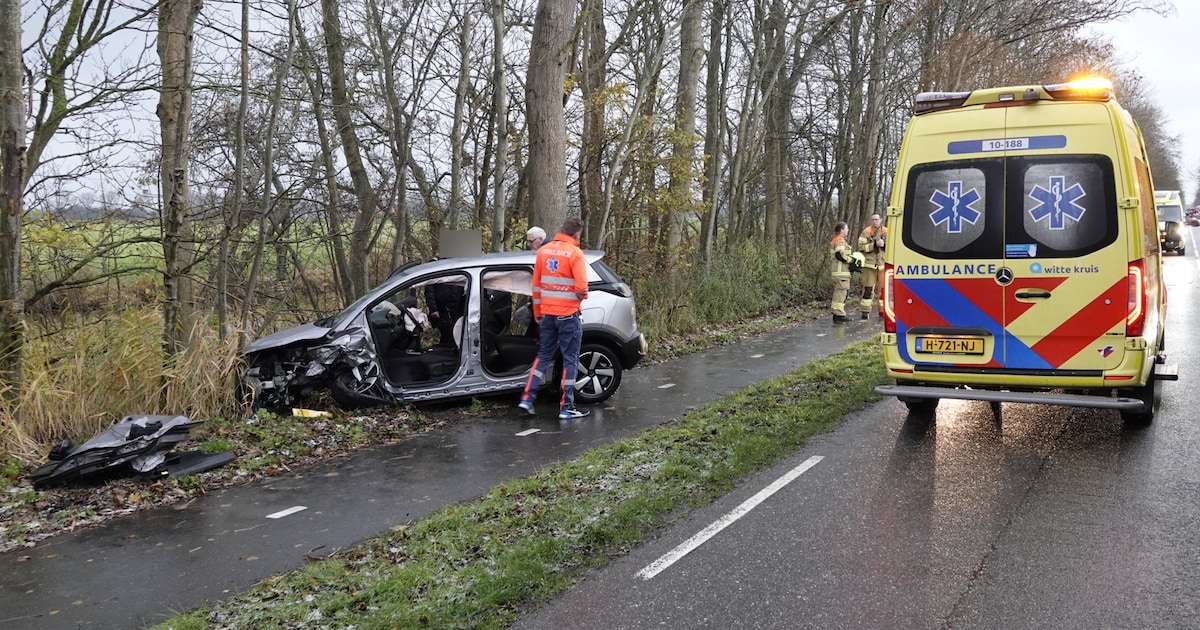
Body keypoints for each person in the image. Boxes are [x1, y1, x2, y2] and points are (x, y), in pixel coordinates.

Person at [518, 217, 591, 419]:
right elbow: (582, 289)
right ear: (577, 234)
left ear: (561, 229)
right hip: (567, 316)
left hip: (547, 315)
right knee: (570, 360)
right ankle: (567, 407)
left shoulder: (543, 251)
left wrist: (538, 313)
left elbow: (536, 288)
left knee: (542, 356)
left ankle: (526, 399)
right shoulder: (575, 253)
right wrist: (580, 298)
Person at [856, 212, 887, 319]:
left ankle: (883, 311)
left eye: (876, 219)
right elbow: (861, 247)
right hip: (869, 265)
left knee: (883, 290)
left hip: (882, 265)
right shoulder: (866, 231)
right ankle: (865, 311)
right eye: (873, 219)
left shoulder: (887, 231)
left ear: (881, 220)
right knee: (868, 289)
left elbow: (894, 246)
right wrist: (874, 245)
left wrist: (884, 244)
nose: (874, 221)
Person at [424, 281, 465, 347]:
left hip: (459, 307)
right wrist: (433, 309)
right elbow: (429, 289)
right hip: (443, 309)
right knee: (447, 335)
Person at [829, 221, 855, 323]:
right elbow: (839, 255)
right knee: (841, 293)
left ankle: (836, 314)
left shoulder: (836, 239)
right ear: (842, 230)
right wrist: (850, 260)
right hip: (841, 272)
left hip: (838, 272)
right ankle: (839, 314)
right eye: (846, 228)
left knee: (838, 293)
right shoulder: (840, 240)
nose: (848, 230)